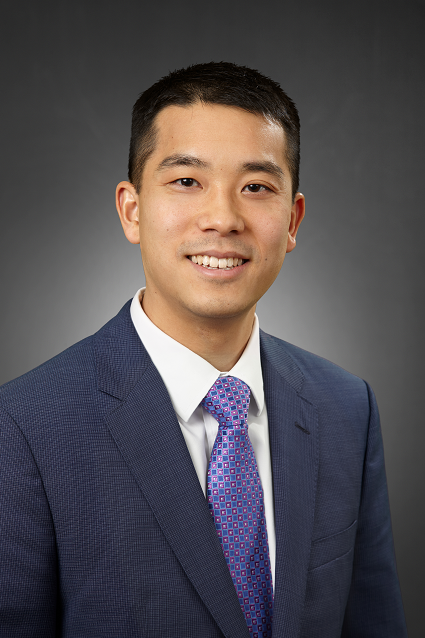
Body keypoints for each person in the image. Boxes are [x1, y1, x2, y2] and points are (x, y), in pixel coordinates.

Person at [0, 62, 407, 638]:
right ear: (132, 210)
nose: (223, 218)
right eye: (187, 181)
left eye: (256, 187)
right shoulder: (24, 426)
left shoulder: (347, 408)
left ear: (292, 221)